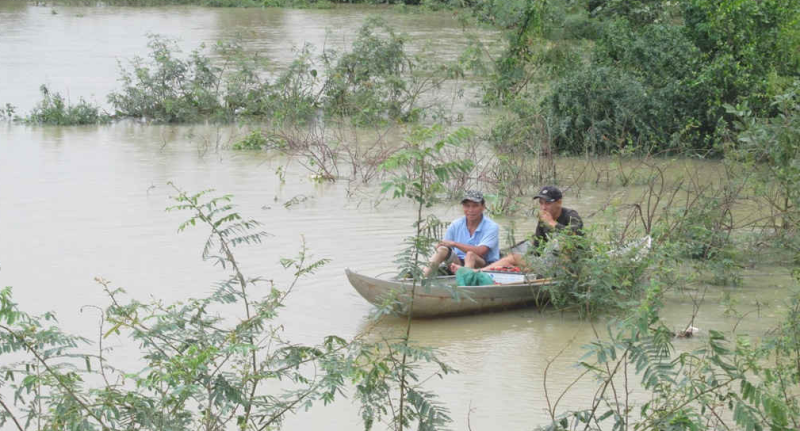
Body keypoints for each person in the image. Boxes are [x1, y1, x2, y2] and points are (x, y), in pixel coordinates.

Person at [484, 185, 582, 271]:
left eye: (547, 203)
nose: (543, 207)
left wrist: (552, 223)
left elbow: (574, 234)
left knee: (514, 258)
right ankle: (481, 272)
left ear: (559, 202)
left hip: (571, 264)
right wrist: (528, 265)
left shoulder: (571, 215)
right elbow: (537, 247)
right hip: (550, 263)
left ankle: (479, 272)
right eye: (541, 203)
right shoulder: (543, 219)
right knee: (512, 258)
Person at [423, 190, 500, 277]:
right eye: (467, 206)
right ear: (463, 207)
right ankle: (422, 277)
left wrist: (455, 244)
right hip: (458, 262)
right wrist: (440, 246)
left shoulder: (492, 227)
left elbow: (481, 252)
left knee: (470, 255)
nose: (470, 210)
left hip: (483, 265)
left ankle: (465, 281)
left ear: (483, 207)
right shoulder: (456, 224)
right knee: (442, 250)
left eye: (475, 206)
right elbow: (443, 245)